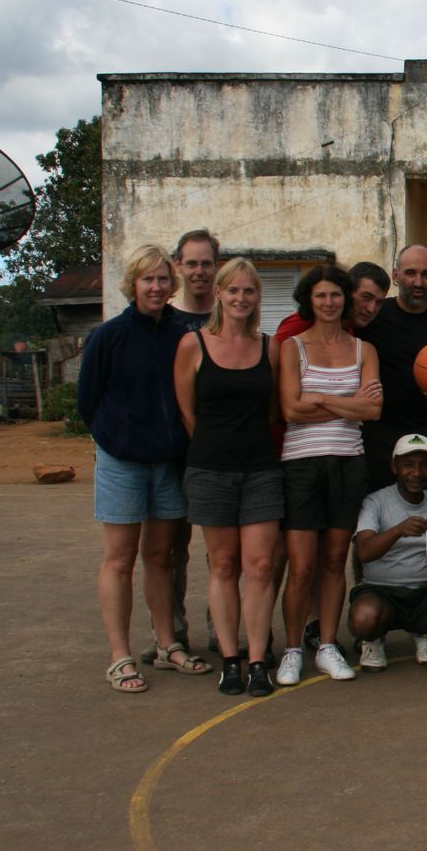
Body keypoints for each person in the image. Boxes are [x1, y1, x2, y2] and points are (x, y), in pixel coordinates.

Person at [79, 244, 209, 693]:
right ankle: (120, 655)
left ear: (171, 285)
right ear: (132, 284)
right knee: (119, 559)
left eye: (161, 279)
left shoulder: (182, 334)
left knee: (159, 557)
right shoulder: (108, 336)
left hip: (167, 463)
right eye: (146, 279)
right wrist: (116, 440)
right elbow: (87, 401)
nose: (155, 287)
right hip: (123, 462)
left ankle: (168, 645)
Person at [172, 258, 282, 697]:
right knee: (222, 565)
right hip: (210, 469)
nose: (240, 298)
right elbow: (187, 411)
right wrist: (216, 448)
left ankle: (257, 660)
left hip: (260, 468)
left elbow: (273, 413)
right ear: (218, 293)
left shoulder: (270, 347)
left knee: (260, 566)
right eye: (232, 290)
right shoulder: (192, 345)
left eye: (249, 291)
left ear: (258, 297)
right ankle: (230, 660)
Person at [276, 265, 383, 685]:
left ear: (346, 299)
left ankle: (326, 645)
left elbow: (372, 410)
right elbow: (290, 409)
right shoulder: (292, 348)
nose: (329, 302)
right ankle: (289, 650)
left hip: (348, 462)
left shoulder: (363, 350)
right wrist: (344, 401)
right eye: (320, 296)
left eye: (336, 295)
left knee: (335, 560)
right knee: (302, 566)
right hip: (301, 464)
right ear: (309, 299)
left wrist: (316, 398)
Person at [138, 228, 221, 664]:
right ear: (178, 267)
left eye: (206, 263)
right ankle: (169, 634)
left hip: (217, 454)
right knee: (169, 549)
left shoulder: (231, 318)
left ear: (217, 266)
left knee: (221, 551)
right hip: (170, 452)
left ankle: (221, 630)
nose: (199, 271)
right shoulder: (162, 322)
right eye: (191, 263)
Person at [350, 434, 427, 671]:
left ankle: (423, 632)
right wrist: (398, 530)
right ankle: (372, 639)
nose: (416, 472)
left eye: (424, 465)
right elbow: (363, 552)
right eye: (408, 465)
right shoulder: (375, 502)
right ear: (394, 466)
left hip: (423, 592)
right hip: (381, 591)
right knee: (364, 618)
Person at [357, 245, 427, 496]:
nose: (418, 281)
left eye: (426, 274)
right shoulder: (373, 318)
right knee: (377, 506)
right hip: (380, 432)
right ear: (396, 275)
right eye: (410, 273)